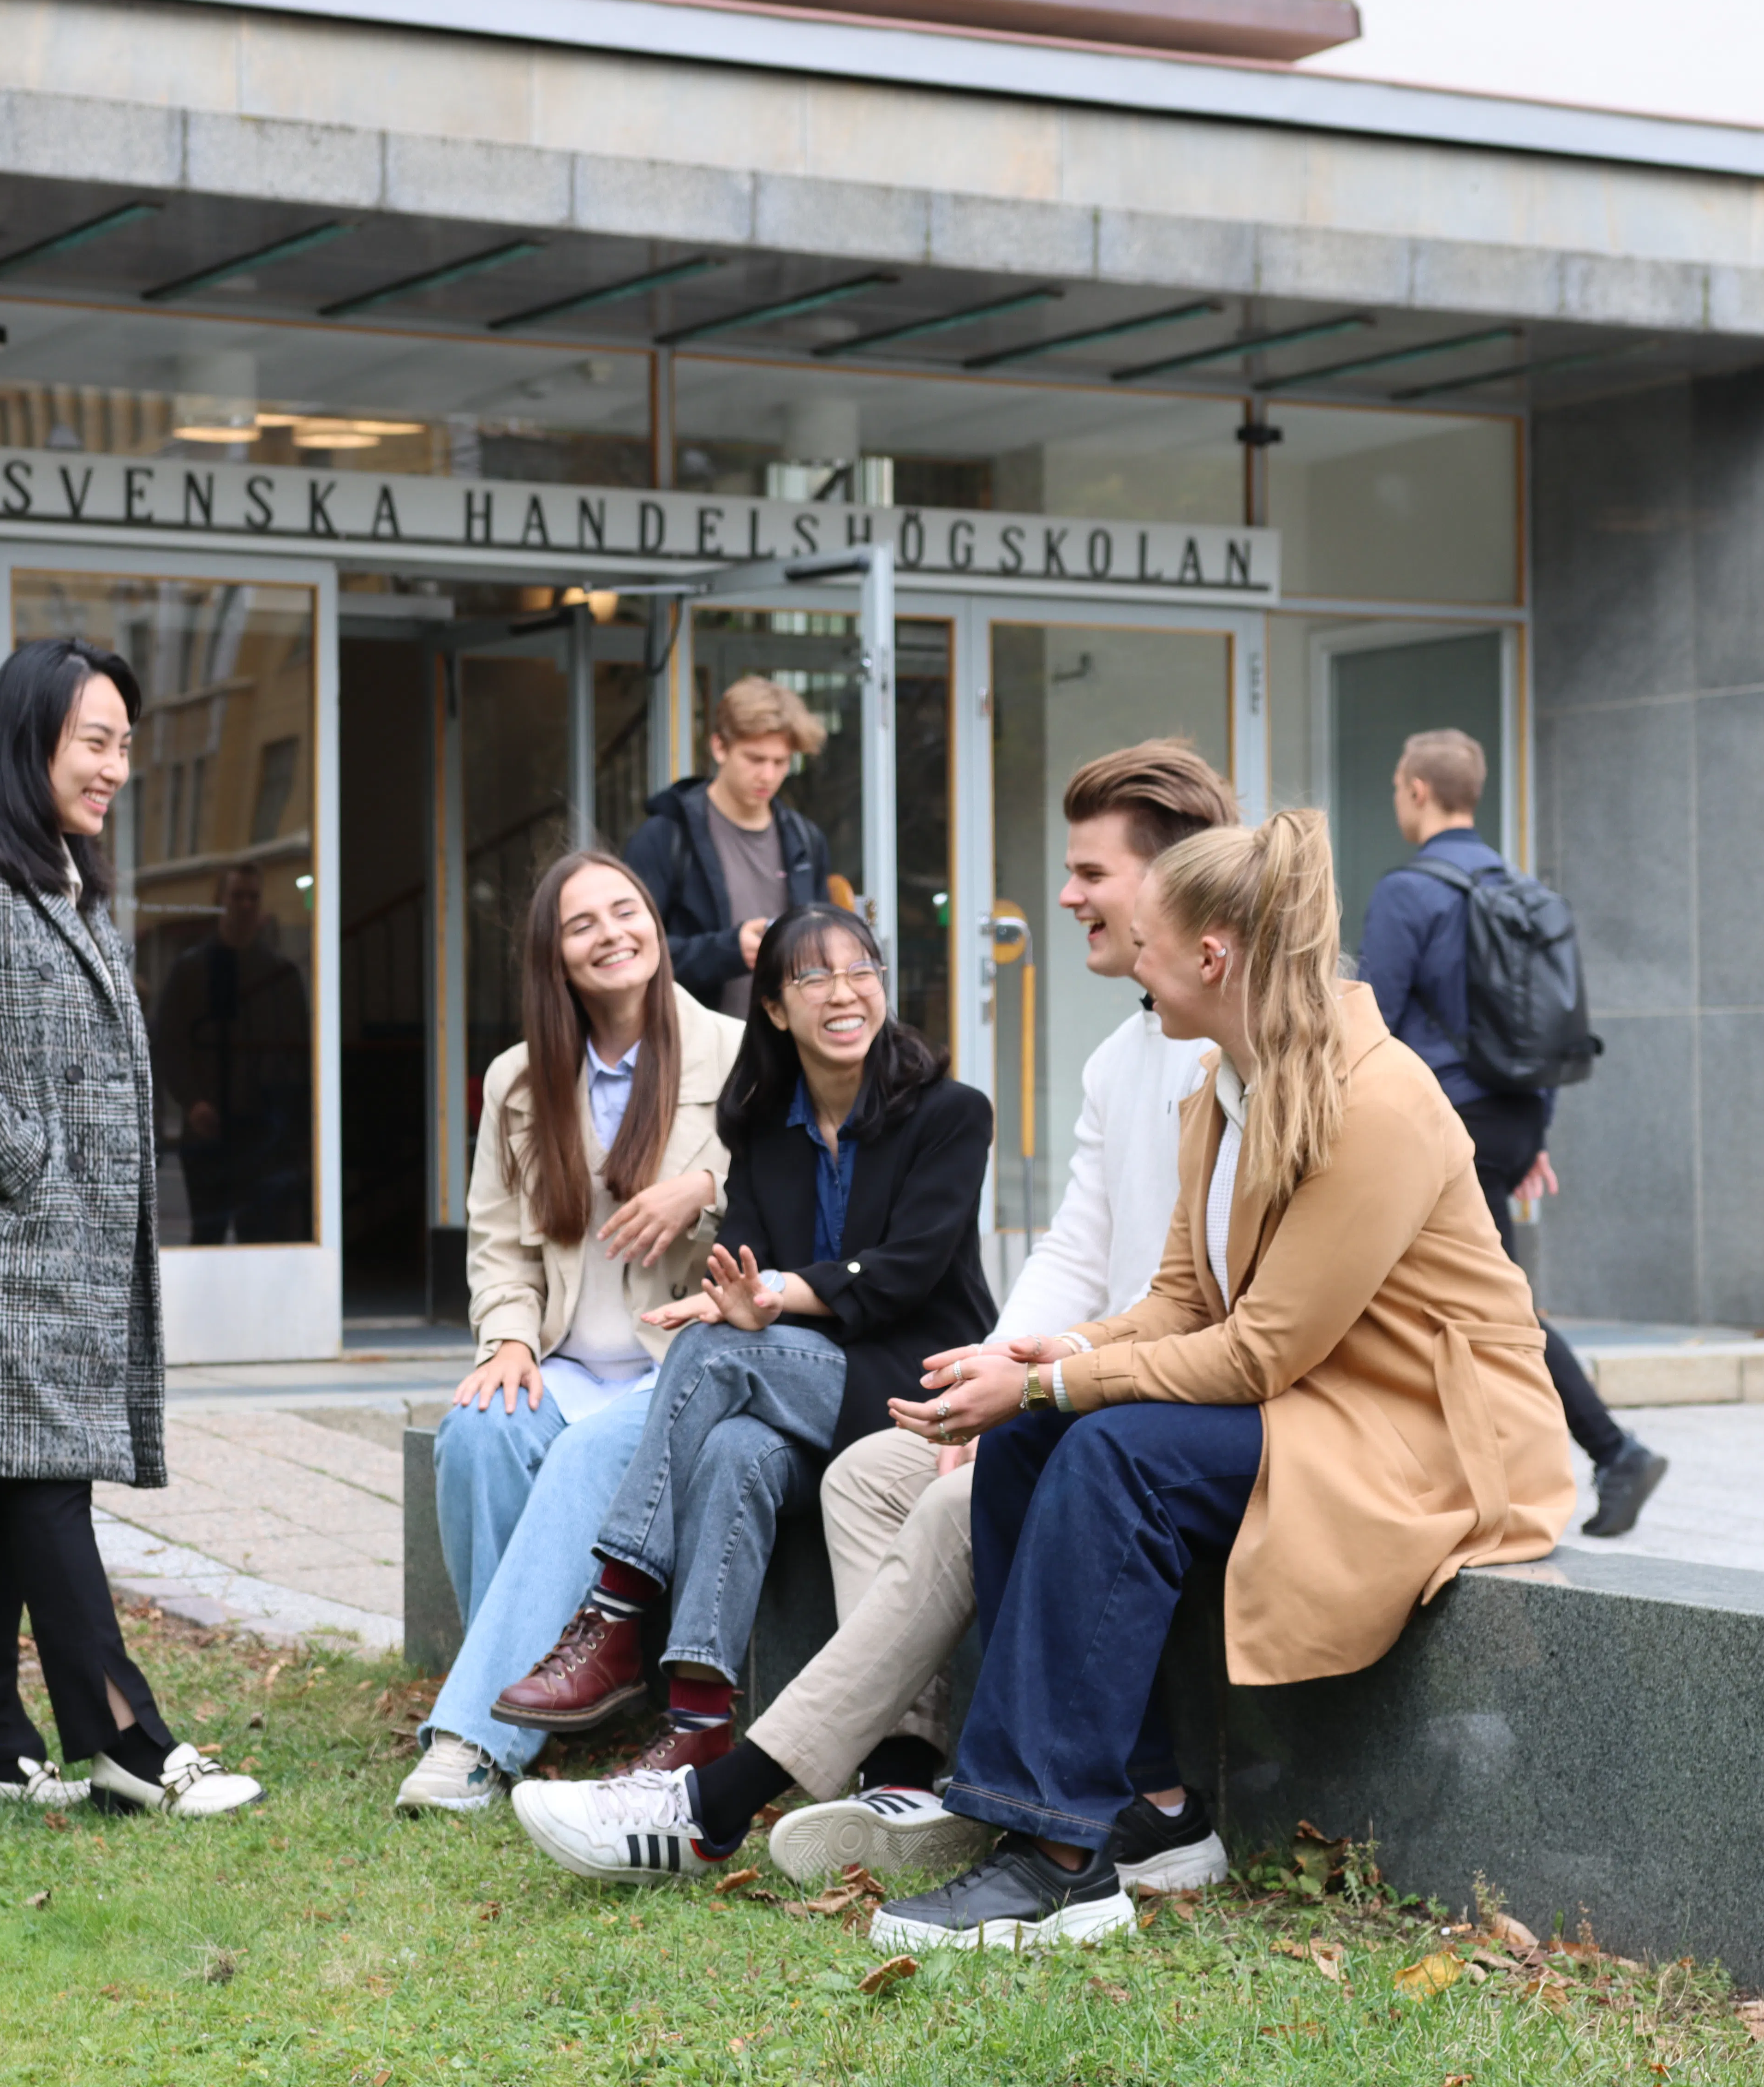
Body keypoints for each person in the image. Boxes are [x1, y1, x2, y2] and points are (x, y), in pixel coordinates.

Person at [508, 740, 1246, 1894]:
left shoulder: (1242, 1057)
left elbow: (1212, 1304)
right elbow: (1081, 1252)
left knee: (979, 1469)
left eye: (1089, 872)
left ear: (1174, 880)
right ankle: (894, 1759)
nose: (1061, 895)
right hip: (1043, 1381)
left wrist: (1029, 1380)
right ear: (778, 1008)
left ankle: (707, 1783)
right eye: (814, 977)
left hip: (1128, 1397)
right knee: (830, 1462)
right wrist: (994, 1378)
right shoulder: (1116, 1057)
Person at [872, 808, 1578, 1949]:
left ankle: (1058, 1857)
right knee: (1029, 1442)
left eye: (1146, 938)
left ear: (1212, 957)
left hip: (1422, 1437)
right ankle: (1148, 1812)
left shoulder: (1377, 1100)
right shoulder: (1221, 1081)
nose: (1129, 957)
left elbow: (1261, 1350)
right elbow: (1184, 1300)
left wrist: (1064, 1387)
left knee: (1111, 1451)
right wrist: (1057, 1354)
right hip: (1313, 1403)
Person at [494, 904, 996, 1838]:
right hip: (805, 1396)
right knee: (731, 1446)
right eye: (814, 976)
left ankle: (615, 1608)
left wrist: (767, 1303)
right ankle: (697, 1724)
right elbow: (750, 1275)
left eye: (862, 970)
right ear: (773, 1008)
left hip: (918, 1379)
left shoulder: (950, 1113)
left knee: (717, 1350)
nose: (844, 992)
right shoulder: (760, 1128)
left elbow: (908, 1271)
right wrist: (736, 1300)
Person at [0, 634, 259, 1821]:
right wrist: (33, 1164)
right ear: (28, 737)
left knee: (7, 1485)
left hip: (49, 1250)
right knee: (45, 1483)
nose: (117, 767)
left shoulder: (58, 870)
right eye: (95, 741)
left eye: (126, 745)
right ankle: (126, 1737)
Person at [398, 851, 750, 1814]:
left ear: (657, 925)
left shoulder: (735, 1053)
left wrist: (704, 1189)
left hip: (678, 1362)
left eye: (626, 911)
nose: (612, 934)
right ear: (553, 956)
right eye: (582, 923)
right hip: (563, 1355)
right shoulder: (519, 1078)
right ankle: (538, 1698)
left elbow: (775, 1212)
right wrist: (507, 1341)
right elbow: (498, 1243)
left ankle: (475, 1736)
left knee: (590, 1452)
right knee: (479, 1431)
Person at [1364, 727, 1666, 1538]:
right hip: (1513, 1115)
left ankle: (1613, 1449)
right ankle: (1503, 1467)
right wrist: (1531, 1134)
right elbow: (1548, 1029)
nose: (1399, 798)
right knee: (1464, 1302)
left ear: (1419, 792)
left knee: (1489, 1310)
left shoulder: (1408, 893)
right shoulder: (1521, 891)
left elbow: (1371, 1028)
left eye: (1399, 786)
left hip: (1440, 1125)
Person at [623, 677, 834, 1015]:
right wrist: (729, 951)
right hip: (694, 1050)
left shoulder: (806, 839)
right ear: (719, 747)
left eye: (781, 762)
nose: (768, 775)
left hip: (790, 1046)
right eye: (755, 759)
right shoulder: (665, 837)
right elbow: (631, 955)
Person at [149, 861, 315, 1245]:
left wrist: (295, 1128)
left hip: (264, 1130)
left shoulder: (281, 975)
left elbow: (298, 1050)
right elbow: (171, 1043)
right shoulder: (191, 970)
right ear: (219, 902)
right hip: (207, 1128)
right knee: (207, 1236)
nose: (245, 905)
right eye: (237, 896)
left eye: (253, 897)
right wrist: (193, 1103)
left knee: (259, 1236)